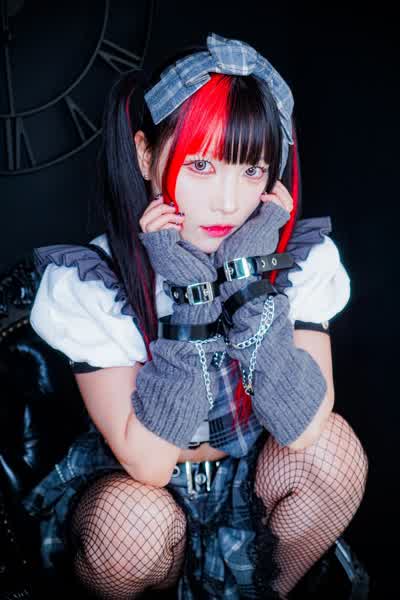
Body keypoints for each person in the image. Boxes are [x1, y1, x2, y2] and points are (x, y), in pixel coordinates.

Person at [23, 33, 368, 600]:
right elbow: (150, 464)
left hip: (253, 481)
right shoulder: (93, 281)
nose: (228, 202)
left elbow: (306, 429)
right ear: (145, 155)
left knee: (334, 452)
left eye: (252, 171)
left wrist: (246, 281)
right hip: (141, 492)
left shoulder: (298, 261)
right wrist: (192, 294)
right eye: (202, 165)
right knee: (132, 526)